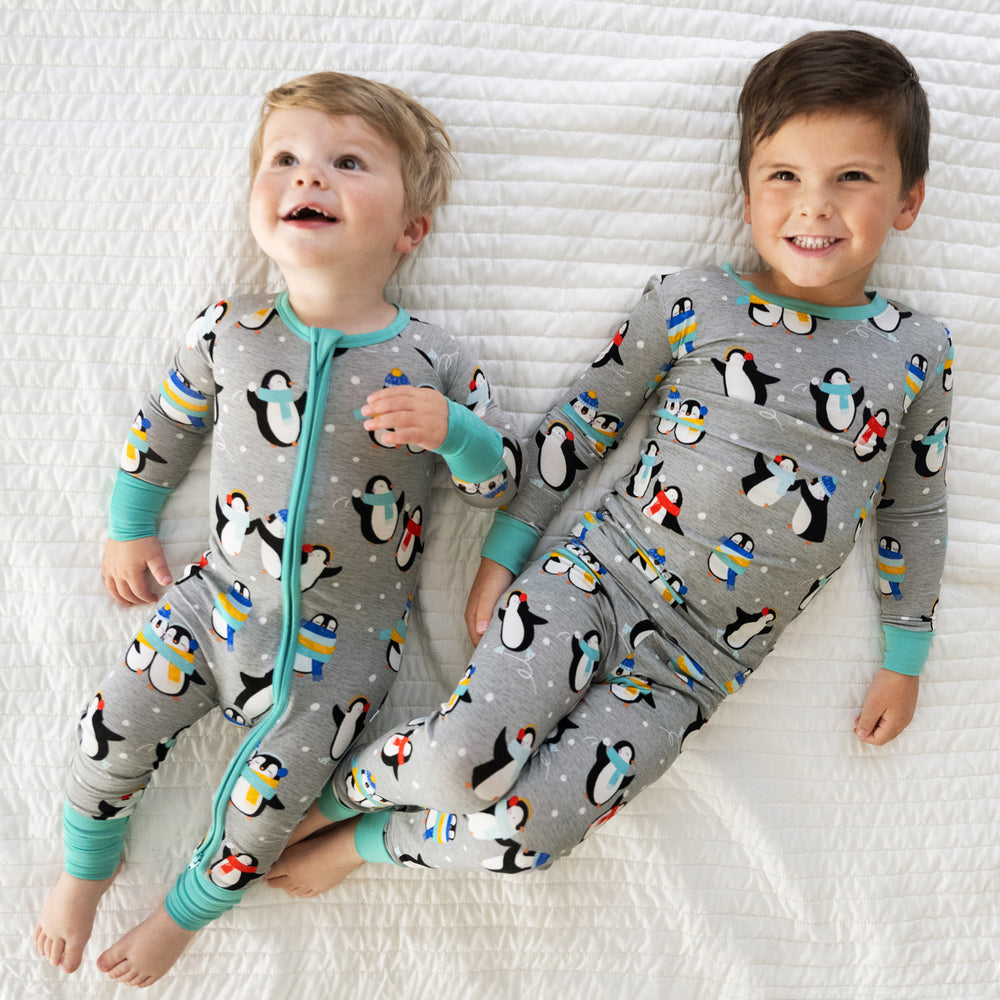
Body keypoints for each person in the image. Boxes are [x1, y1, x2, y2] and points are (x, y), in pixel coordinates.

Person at [264, 29, 952, 897]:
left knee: (531, 833)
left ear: (908, 200)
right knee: (460, 762)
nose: (813, 207)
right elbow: (579, 426)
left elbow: (915, 509)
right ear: (747, 195)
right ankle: (337, 799)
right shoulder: (695, 302)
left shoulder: (918, 350)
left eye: (851, 178)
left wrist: (905, 655)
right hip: (595, 579)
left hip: (700, 663)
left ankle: (366, 846)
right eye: (786, 176)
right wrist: (506, 554)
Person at [33, 71, 520, 987]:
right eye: (286, 160)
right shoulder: (233, 328)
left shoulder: (436, 359)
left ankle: (185, 915)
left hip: (338, 661)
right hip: (215, 606)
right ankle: (82, 872)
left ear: (410, 230)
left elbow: (503, 483)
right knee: (112, 727)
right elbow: (164, 424)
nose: (309, 179)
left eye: (346, 163)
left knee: (267, 811)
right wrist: (129, 524)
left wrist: (453, 432)